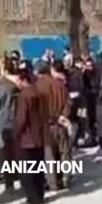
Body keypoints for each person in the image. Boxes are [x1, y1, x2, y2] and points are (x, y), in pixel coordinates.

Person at [35, 61, 72, 190]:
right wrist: (63, 117)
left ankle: (53, 183)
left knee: (48, 155)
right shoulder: (60, 85)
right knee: (64, 152)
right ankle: (66, 178)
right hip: (61, 124)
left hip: (45, 125)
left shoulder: (36, 87)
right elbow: (68, 103)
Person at [15, 69, 47, 204]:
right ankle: (40, 195)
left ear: (23, 80)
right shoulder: (39, 93)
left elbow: (21, 118)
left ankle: (32, 198)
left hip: (27, 138)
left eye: (18, 80)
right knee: (38, 168)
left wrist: (16, 132)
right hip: (39, 135)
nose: (17, 83)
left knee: (26, 170)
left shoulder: (24, 95)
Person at [0, 58, 21, 192]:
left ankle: (9, 184)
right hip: (17, 121)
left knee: (5, 155)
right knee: (17, 153)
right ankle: (21, 179)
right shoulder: (20, 83)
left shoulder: (2, 86)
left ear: (5, 70)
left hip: (3, 124)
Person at [82, 57, 99, 144]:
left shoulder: (96, 75)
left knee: (94, 119)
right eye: (87, 66)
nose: (89, 68)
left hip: (94, 99)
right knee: (89, 120)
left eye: (90, 66)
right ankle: (92, 138)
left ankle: (95, 137)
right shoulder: (83, 76)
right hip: (87, 100)